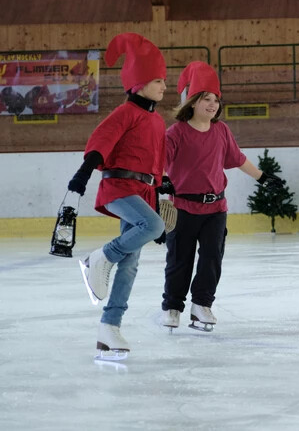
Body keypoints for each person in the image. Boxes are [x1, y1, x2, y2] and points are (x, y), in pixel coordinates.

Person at [159, 61, 283, 332]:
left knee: (212, 257)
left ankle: (201, 305)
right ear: (193, 102)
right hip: (182, 207)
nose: (213, 105)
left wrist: (262, 177)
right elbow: (160, 163)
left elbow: (237, 158)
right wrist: (164, 181)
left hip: (215, 208)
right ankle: (172, 307)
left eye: (216, 100)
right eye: (206, 99)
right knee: (179, 260)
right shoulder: (176, 133)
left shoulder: (221, 130)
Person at [67, 33, 168, 361]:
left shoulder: (157, 121)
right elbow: (101, 143)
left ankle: (109, 327)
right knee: (150, 227)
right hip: (118, 189)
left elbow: (155, 167)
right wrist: (82, 175)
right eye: (158, 80)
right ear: (139, 83)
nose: (164, 86)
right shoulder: (126, 113)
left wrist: (160, 196)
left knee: (131, 262)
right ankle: (99, 258)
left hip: (143, 193)